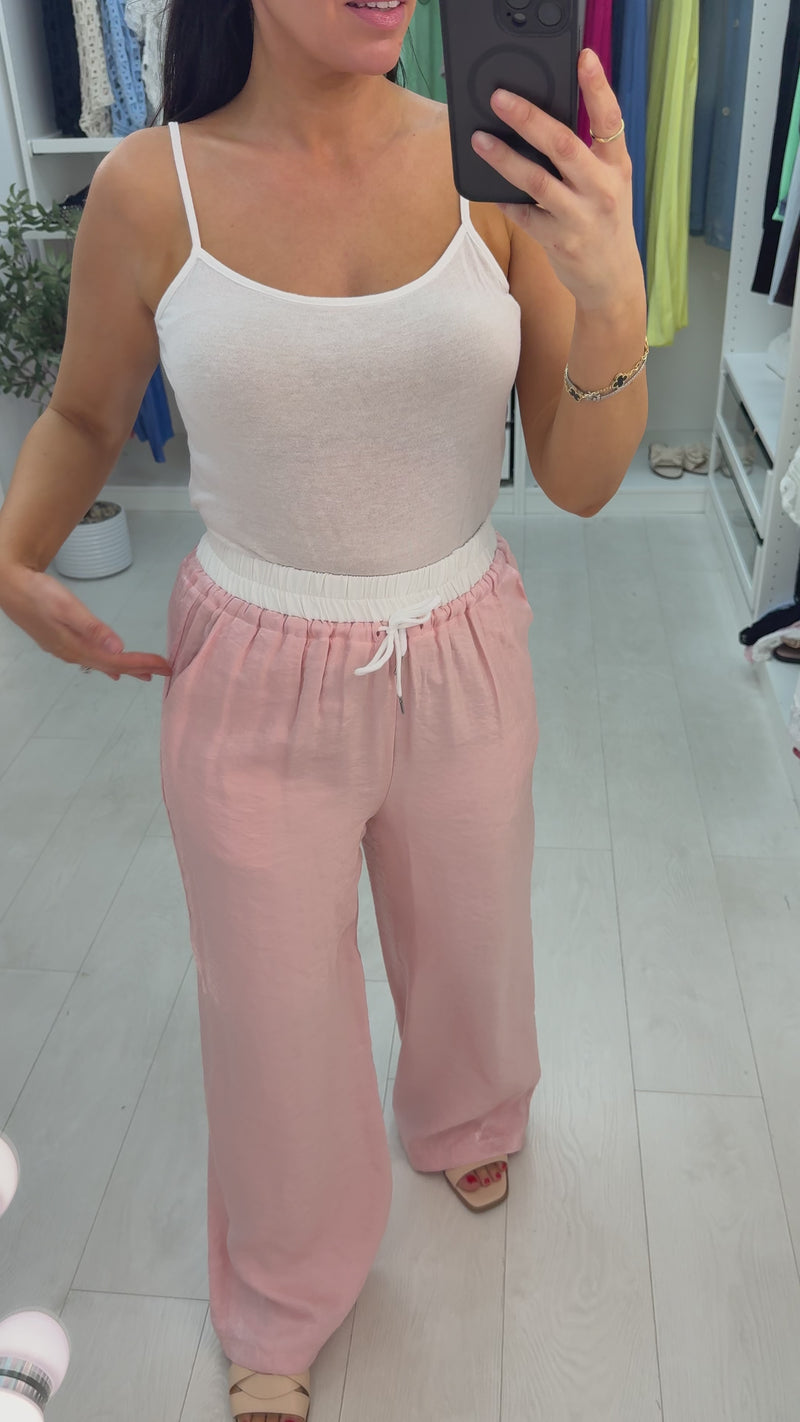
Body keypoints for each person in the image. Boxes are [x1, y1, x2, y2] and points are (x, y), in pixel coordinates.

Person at [0, 2, 648, 1418]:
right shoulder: (150, 186)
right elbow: (85, 415)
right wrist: (12, 555)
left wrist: (610, 302)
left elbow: (582, 475)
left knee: (472, 938)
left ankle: (467, 1112)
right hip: (249, 669)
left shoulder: (495, 167)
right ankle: (284, 1288)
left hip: (462, 643)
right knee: (272, 1013)